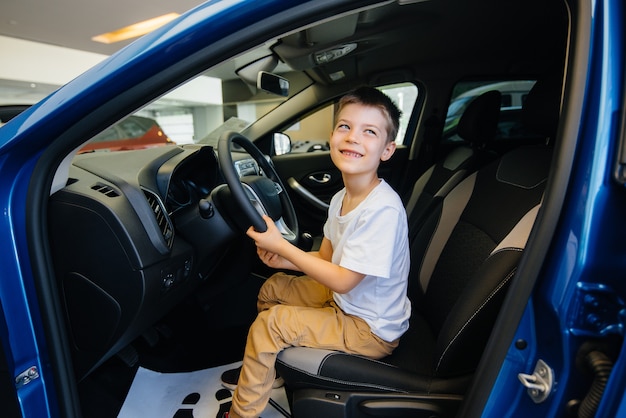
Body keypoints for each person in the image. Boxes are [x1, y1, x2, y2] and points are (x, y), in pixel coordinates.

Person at [222, 86, 411, 418]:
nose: (353, 137)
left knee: (271, 324)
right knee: (273, 286)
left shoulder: (382, 210)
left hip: (369, 328)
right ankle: (272, 372)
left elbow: (343, 281)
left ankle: (241, 414)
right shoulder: (341, 197)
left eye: (369, 132)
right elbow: (326, 259)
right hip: (344, 302)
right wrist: (284, 258)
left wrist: (282, 245)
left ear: (387, 149)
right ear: (332, 135)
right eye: (345, 126)